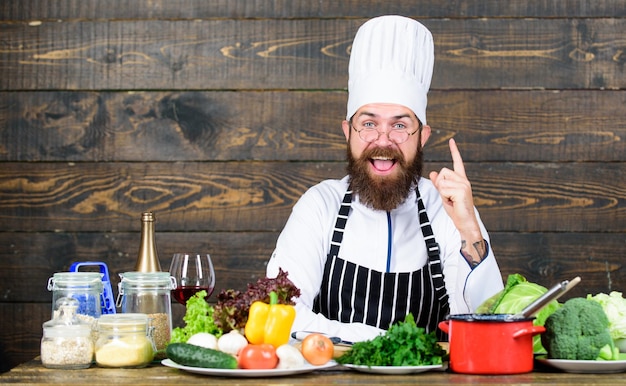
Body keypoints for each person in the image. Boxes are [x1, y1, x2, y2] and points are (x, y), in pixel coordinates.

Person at [266, 15, 504, 343]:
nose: (383, 139)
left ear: (422, 137)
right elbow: (283, 314)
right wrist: (385, 344)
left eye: (400, 125)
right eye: (368, 124)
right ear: (348, 132)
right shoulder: (320, 206)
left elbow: (486, 322)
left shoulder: (446, 207)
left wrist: (469, 229)